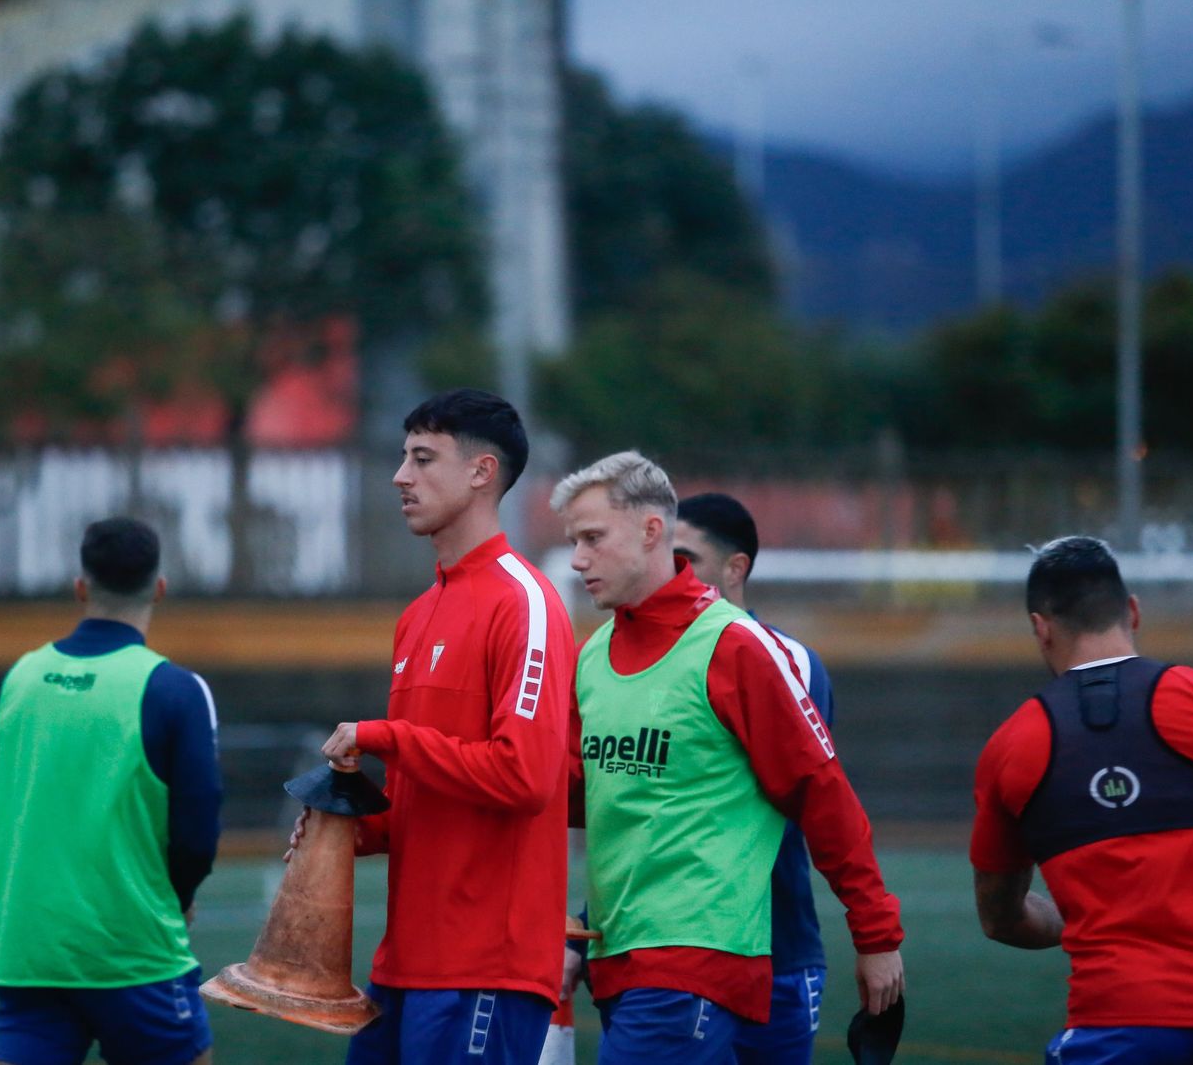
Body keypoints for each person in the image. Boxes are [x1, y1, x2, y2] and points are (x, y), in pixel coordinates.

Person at [554, 452, 903, 1064]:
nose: (578, 559)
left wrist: (876, 935)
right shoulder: (592, 654)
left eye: (592, 538)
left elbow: (822, 793)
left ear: (651, 532)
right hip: (621, 957)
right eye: (574, 541)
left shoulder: (735, 647)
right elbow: (572, 796)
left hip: (696, 961)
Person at [312, 388, 576, 1065]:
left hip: (486, 963)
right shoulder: (419, 612)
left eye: (423, 458)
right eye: (404, 458)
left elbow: (524, 777)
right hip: (403, 963)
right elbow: (419, 799)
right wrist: (346, 830)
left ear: (482, 472)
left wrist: (386, 737)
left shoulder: (526, 602)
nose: (402, 476)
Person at [970, 535, 1193, 1064]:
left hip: (1115, 1024)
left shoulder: (1011, 745)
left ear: (1040, 628)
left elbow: (1000, 918)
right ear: (1133, 611)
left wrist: (1098, 923)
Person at [0, 516, 222, 1065]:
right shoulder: (174, 689)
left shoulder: (18, 677)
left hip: (28, 950)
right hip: (131, 950)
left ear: (80, 586)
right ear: (159, 588)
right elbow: (197, 830)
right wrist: (179, 899)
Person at [673, 493, 834, 1064]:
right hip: (671, 955)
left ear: (736, 568)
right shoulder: (636, 664)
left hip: (777, 952)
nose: (671, 575)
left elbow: (815, 804)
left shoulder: (791, 663)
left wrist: (877, 935)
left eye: (685, 559)